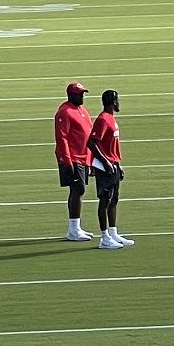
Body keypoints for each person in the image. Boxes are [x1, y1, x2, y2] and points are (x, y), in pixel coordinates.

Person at [87, 88, 132, 250]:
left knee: (114, 199)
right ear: (113, 102)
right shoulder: (103, 120)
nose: (119, 103)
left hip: (113, 164)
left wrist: (117, 165)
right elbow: (91, 142)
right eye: (118, 100)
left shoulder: (111, 119)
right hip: (105, 167)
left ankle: (113, 233)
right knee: (105, 200)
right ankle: (104, 237)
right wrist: (105, 162)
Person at [54, 81, 94, 242]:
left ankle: (76, 227)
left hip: (83, 157)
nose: (82, 96)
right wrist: (66, 160)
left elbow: (88, 136)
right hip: (73, 157)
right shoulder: (64, 112)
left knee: (79, 190)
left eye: (83, 94)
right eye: (79, 94)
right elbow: (61, 137)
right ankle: (73, 229)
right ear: (70, 95)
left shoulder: (82, 111)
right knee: (78, 189)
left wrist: (90, 160)